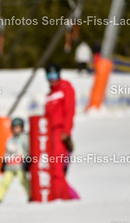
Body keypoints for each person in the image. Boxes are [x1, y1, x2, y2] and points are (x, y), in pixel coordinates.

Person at [44, 63, 78, 200]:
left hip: (60, 133)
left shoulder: (65, 88)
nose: (51, 78)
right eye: (49, 75)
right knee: (52, 168)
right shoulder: (49, 94)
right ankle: (65, 196)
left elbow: (69, 111)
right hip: (50, 134)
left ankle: (61, 197)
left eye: (54, 75)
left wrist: (66, 131)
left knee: (57, 167)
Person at [0, 118, 30, 203]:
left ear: (22, 128)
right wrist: (4, 162)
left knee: (24, 181)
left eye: (18, 127)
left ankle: (31, 196)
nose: (16, 130)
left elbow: (27, 149)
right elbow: (7, 152)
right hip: (10, 165)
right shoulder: (10, 139)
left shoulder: (25, 138)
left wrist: (27, 160)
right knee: (5, 182)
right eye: (15, 127)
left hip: (20, 165)